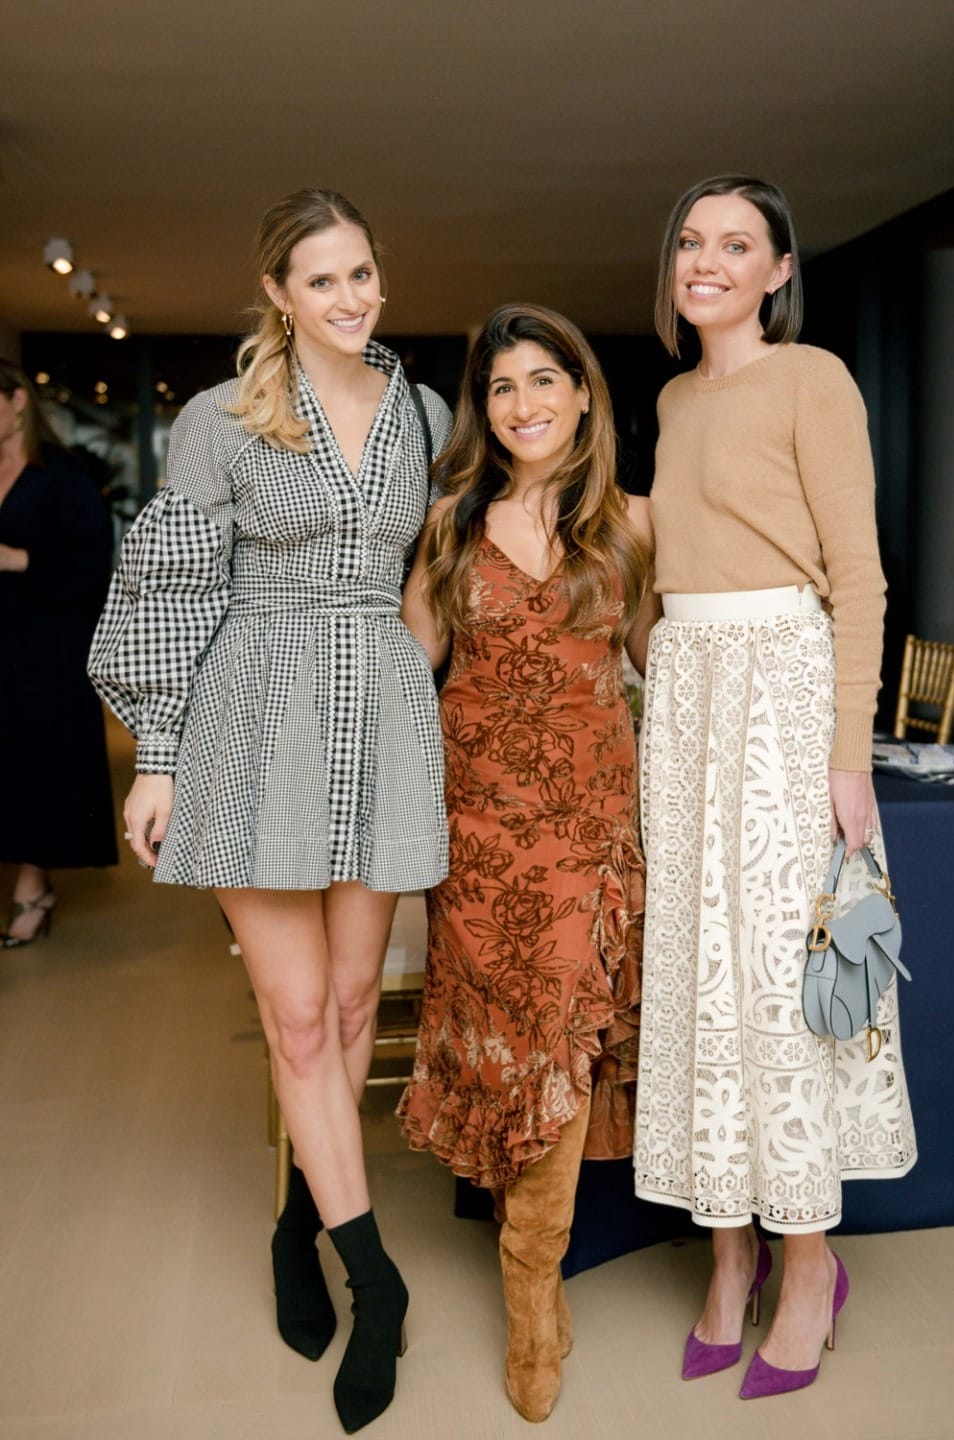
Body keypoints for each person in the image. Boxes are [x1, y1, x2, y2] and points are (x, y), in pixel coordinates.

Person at [88, 189, 451, 1435]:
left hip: (384, 713)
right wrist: (159, 755)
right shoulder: (217, 421)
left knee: (353, 1007)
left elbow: (428, 584)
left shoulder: (426, 413)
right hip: (258, 713)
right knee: (297, 1020)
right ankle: (377, 1280)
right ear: (279, 298)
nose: (353, 299)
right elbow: (173, 586)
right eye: (325, 281)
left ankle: (302, 1225)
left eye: (365, 274)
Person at [632, 176, 917, 1400]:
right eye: (692, 241)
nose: (707, 260)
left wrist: (848, 753)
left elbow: (859, 577)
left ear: (778, 271)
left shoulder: (815, 380)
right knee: (696, 970)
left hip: (786, 692)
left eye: (735, 244)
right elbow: (675, 568)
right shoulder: (672, 396)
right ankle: (728, 1250)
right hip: (688, 690)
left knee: (776, 980)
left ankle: (809, 1262)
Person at [398, 304, 659, 1422]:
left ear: (586, 393)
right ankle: (535, 1287)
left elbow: (668, 674)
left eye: (545, 379)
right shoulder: (447, 527)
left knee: (556, 1048)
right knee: (512, 1063)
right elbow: (409, 683)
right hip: (477, 841)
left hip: (590, 840)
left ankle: (528, 1296)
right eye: (503, 387)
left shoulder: (636, 528)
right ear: (484, 409)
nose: (525, 404)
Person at [1, 360, 117, 945]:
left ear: (18, 400)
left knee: (35, 763)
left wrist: (18, 560)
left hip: (44, 650)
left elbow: (96, 569)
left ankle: (32, 884)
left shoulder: (64, 477)